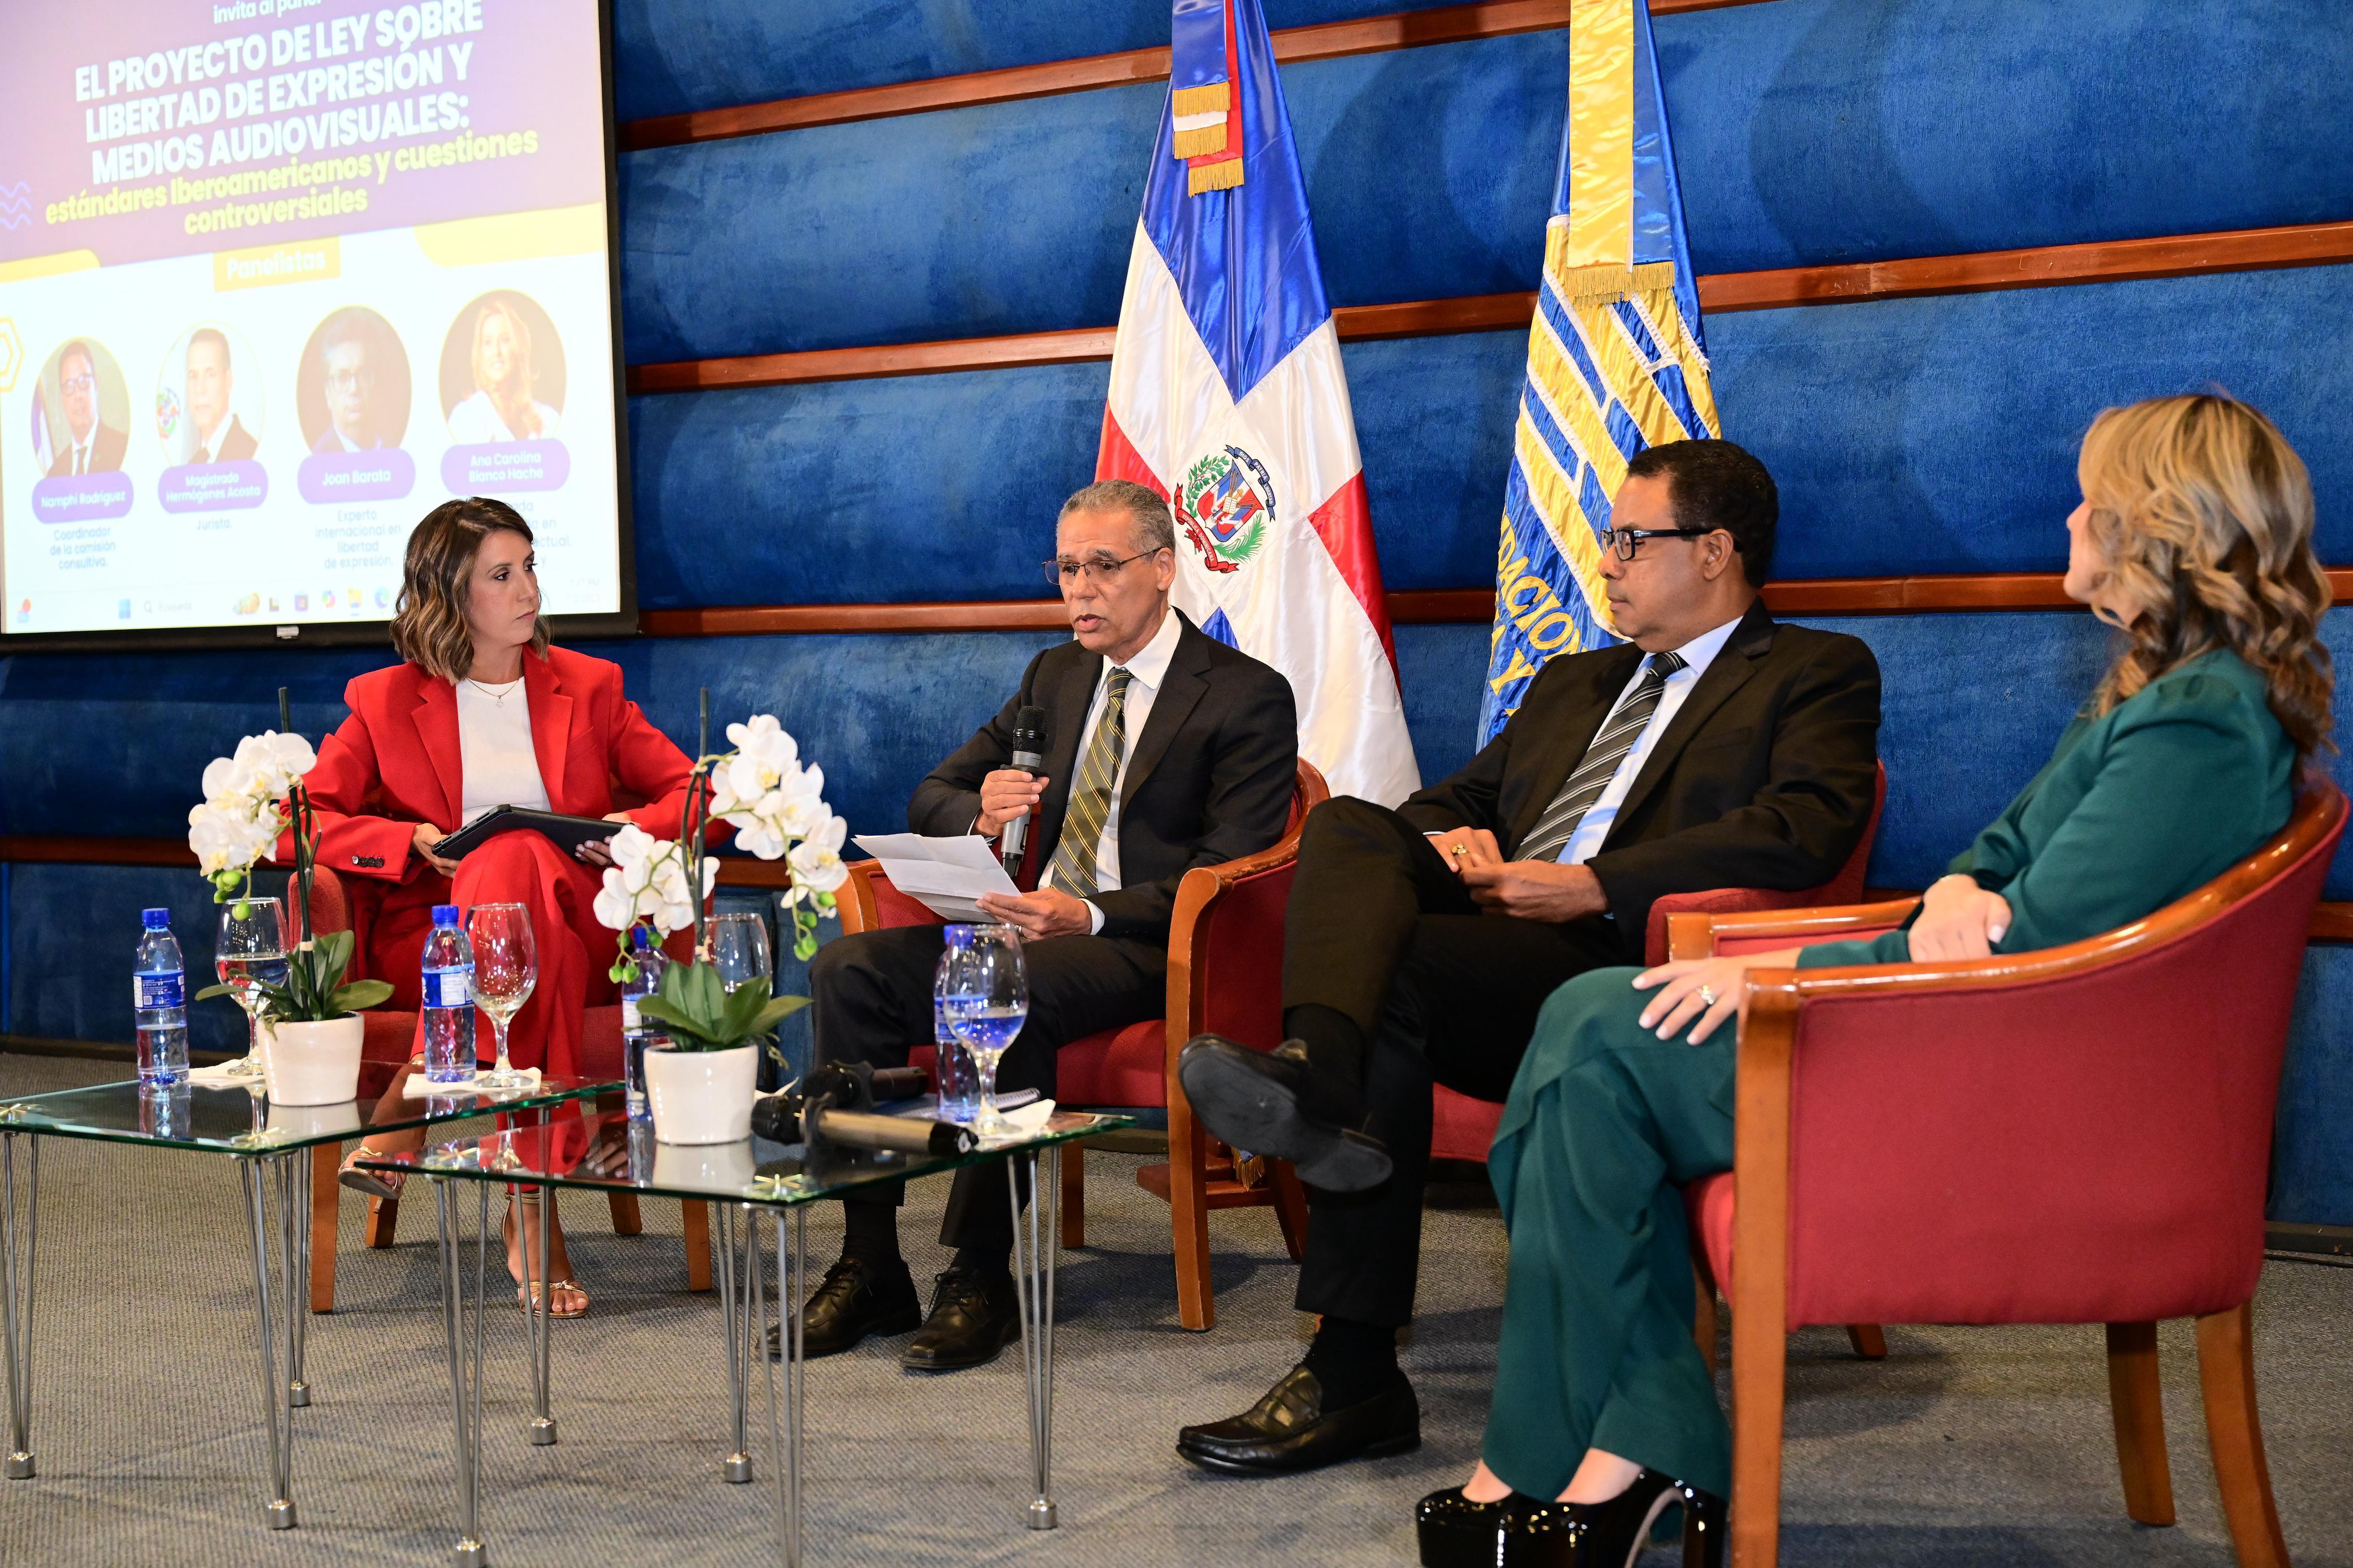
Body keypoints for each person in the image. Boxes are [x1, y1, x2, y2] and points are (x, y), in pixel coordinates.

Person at [1416, 394, 2332, 1568]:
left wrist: (1787, 980)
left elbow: (2040, 943)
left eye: (2090, 500)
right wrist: (1953, 898)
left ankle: (1585, 1454)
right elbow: (1987, 874)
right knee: (1587, 1028)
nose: (2067, 515)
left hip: (2006, 1083)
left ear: (2156, 525)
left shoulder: (2200, 724)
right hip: (1976, 1032)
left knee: (1590, 1040)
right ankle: (1612, 1459)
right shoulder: (2165, 701)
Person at [1174, 438, 1884, 1475]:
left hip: (1622, 970)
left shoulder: (1814, 671)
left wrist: (1596, 882)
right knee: (1354, 829)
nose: (1606, 561)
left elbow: (1806, 827)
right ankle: (1321, 1083)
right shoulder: (1575, 682)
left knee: (1390, 979)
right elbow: (1446, 803)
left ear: (1717, 551)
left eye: (1632, 539)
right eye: (1608, 538)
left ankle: (1354, 1359)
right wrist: (1452, 842)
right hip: (1490, 951)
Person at [786, 478, 1298, 1371]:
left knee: (1003, 982)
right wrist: (979, 814)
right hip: (1022, 927)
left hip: (1146, 945)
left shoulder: (1243, 694)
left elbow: (1231, 866)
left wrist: (1089, 910)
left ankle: (980, 1272)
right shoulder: (1054, 677)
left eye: (1104, 566)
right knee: (849, 971)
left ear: (1165, 569)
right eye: (1068, 568)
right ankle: (870, 1261)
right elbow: (933, 793)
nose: (1081, 590)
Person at [303, 496, 708, 1318]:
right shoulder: (383, 702)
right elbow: (299, 819)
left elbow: (694, 790)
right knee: (504, 856)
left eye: (530, 568)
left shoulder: (590, 687)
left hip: (582, 925)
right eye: (501, 574)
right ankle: (532, 1205)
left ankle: (419, 1088)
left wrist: (632, 826)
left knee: (517, 850)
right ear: (450, 595)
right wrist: (404, 837)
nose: (527, 589)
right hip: (447, 938)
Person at [447, 298, 561, 443]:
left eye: (505, 340)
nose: (496, 351)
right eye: (488, 342)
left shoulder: (549, 418)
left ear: (518, 348)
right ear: (480, 355)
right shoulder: (465, 418)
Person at [313, 312, 392, 453]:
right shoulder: (317, 458)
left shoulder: (393, 448)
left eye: (363, 375)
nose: (354, 389)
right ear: (328, 394)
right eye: (342, 377)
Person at [45, 342, 127, 477]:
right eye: (69, 386)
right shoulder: (55, 473)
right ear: (62, 398)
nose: (78, 395)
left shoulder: (121, 449)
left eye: (84, 382)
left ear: (95, 385)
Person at [184, 327, 257, 464]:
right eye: (193, 376)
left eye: (210, 374)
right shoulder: (192, 465)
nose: (199, 389)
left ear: (228, 381)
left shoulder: (251, 454)